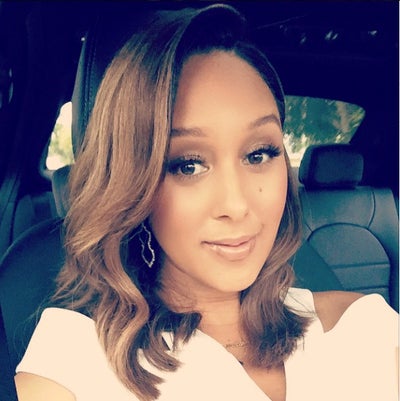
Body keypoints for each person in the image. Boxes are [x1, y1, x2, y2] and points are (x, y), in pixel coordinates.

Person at [14, 4, 398, 401]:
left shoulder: (362, 326)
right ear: (133, 184)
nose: (237, 204)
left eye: (259, 154)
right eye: (189, 165)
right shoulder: (73, 362)